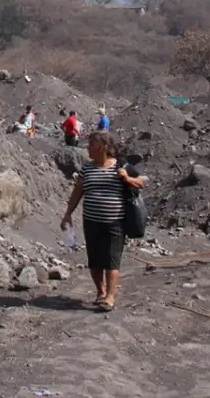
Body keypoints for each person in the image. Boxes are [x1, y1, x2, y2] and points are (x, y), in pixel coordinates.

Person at [60, 130, 147, 311]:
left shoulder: (120, 166)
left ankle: (110, 296)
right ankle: (100, 292)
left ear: (103, 147)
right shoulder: (87, 168)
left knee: (112, 260)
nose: (88, 148)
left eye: (91, 144)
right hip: (91, 222)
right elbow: (77, 192)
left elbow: (141, 182)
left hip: (115, 222)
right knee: (95, 260)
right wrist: (68, 213)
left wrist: (127, 178)